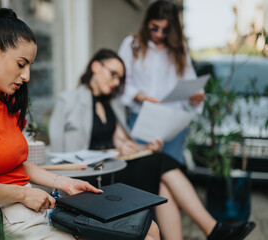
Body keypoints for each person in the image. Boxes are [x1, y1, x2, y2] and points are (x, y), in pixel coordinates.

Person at [0, 8, 160, 240]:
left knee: (149, 228)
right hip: (9, 217)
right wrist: (22, 195)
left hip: (36, 209)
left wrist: (65, 182)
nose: (27, 76)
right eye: (21, 64)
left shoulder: (4, 104)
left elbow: (16, 165)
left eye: (29, 66)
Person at [49, 48, 255, 240]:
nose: (116, 81)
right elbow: (57, 153)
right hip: (87, 178)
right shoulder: (68, 100)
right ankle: (213, 230)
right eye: (113, 74)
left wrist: (144, 148)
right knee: (161, 163)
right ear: (96, 67)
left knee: (161, 175)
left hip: (113, 170)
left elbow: (122, 143)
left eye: (120, 78)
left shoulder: (114, 104)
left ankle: (210, 230)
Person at [118, 0, 204, 164]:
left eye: (165, 31)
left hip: (172, 123)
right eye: (154, 27)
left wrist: (196, 97)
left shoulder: (180, 50)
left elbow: (189, 82)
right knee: (140, 169)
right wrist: (139, 96)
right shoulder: (131, 45)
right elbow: (121, 83)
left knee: (169, 171)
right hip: (142, 118)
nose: (158, 34)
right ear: (146, 21)